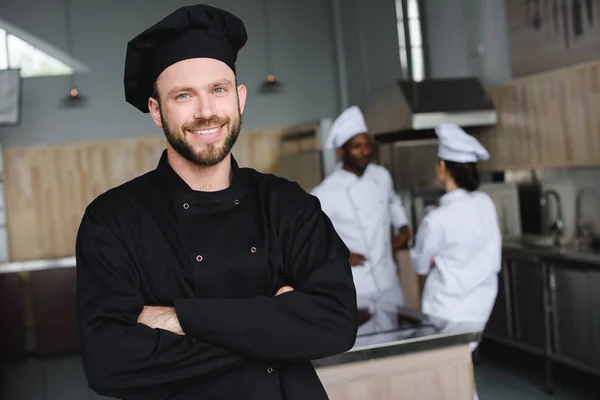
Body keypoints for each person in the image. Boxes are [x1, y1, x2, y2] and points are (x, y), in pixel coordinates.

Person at [75, 5, 357, 400]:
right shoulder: (113, 220)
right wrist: (276, 326)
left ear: (240, 98)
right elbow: (109, 364)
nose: (206, 112)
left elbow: (337, 324)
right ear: (157, 110)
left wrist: (178, 319)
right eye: (184, 95)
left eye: (218, 89)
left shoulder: (288, 205)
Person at [409, 122, 501, 400]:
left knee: (445, 382)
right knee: (460, 374)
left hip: (445, 312)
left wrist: (436, 259)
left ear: (442, 166)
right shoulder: (485, 203)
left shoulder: (437, 219)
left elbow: (419, 265)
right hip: (479, 308)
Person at [311, 105, 411, 335]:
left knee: (396, 344)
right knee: (362, 347)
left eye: (367, 145)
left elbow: (393, 202)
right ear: (340, 151)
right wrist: (340, 254)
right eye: (357, 146)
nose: (365, 151)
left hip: (389, 282)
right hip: (356, 287)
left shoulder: (382, 176)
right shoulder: (324, 193)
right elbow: (313, 239)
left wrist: (404, 227)